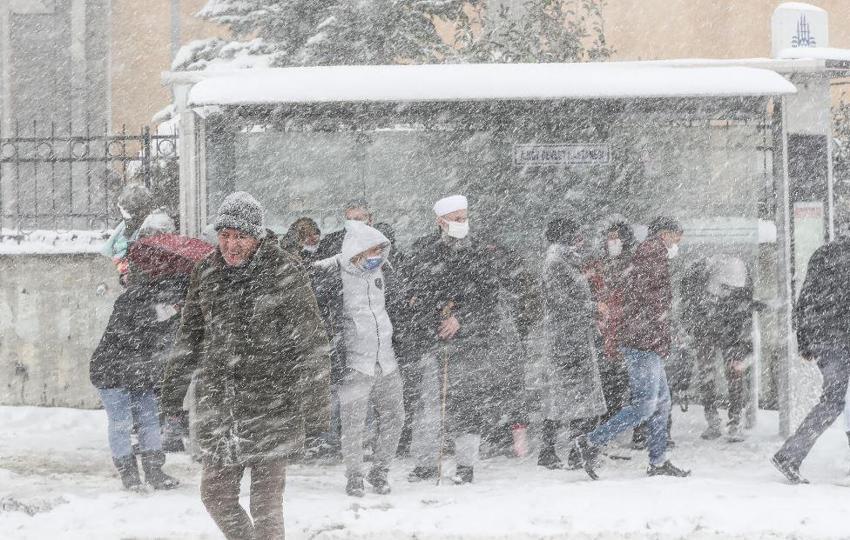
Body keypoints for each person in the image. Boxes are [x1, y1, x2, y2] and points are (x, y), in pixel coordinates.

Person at [160, 192, 331, 539]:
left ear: (257, 236)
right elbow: (189, 337)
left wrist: (314, 408)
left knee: (266, 506)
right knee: (215, 496)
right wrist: (172, 394)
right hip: (221, 406)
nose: (231, 245)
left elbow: (311, 341)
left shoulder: (284, 271)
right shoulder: (205, 272)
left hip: (273, 404)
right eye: (225, 236)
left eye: (240, 236)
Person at [405, 195, 532, 484]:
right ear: (441, 221)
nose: (463, 224)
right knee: (428, 406)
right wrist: (435, 316)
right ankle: (425, 462)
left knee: (466, 404)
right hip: (432, 340)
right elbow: (415, 293)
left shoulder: (479, 252)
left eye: (465, 218)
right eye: (457, 218)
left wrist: (461, 319)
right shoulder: (424, 252)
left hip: (471, 341)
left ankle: (465, 465)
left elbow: (488, 299)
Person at [575, 216, 691, 479]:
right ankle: (591, 441)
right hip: (643, 342)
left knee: (662, 403)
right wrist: (653, 331)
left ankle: (658, 460)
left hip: (647, 339)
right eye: (676, 236)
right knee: (646, 405)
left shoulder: (650, 255)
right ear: (664, 234)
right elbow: (644, 301)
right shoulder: (651, 255)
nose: (678, 242)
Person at [89, 211, 184, 491]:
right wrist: (166, 314)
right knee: (120, 423)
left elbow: (162, 334)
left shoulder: (165, 297)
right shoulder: (131, 299)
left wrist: (174, 313)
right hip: (113, 370)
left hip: (141, 370)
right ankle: (129, 476)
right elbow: (135, 329)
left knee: (149, 421)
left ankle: (155, 472)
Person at [313, 221, 405, 497]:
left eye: (380, 250)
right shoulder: (332, 272)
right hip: (354, 362)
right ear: (356, 250)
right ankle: (354, 475)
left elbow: (398, 307)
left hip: (386, 360)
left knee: (396, 417)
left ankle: (380, 471)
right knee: (353, 425)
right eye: (371, 250)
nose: (376, 256)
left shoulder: (384, 271)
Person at [772, 235, 850, 484]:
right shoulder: (838, 257)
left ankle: (790, 455)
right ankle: (788, 456)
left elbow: (804, 297)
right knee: (834, 402)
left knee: (832, 402)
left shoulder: (823, 254)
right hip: (841, 338)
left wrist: (805, 340)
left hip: (824, 338)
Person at [537, 218, 607, 470]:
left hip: (572, 336)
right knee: (574, 397)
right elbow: (561, 302)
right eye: (574, 233)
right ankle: (568, 452)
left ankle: (561, 451)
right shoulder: (556, 263)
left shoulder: (566, 261)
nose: (579, 238)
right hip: (566, 340)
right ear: (563, 236)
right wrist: (593, 308)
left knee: (569, 397)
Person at [682, 256, 760, 442]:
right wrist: (692, 333)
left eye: (732, 290)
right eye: (724, 288)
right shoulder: (699, 287)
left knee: (734, 375)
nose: (727, 293)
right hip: (706, 332)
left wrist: (744, 355)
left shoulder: (740, 291)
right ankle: (714, 421)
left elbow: (744, 322)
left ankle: (734, 422)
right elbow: (690, 314)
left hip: (730, 335)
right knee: (707, 375)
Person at [584, 219, 635, 427]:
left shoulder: (633, 263)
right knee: (609, 381)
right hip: (604, 330)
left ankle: (634, 428)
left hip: (628, 329)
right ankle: (609, 423)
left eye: (617, 237)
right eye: (610, 237)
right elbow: (588, 291)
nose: (613, 241)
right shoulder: (595, 264)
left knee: (630, 381)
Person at [100, 184, 158, 285]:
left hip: (142, 279)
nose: (123, 214)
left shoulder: (147, 227)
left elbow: (122, 250)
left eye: (125, 210)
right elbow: (120, 249)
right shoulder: (128, 227)